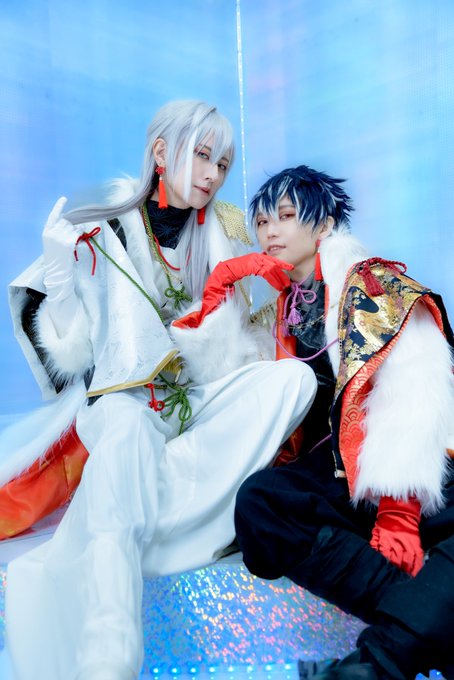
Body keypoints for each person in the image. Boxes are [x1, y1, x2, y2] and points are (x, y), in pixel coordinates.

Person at [0, 104, 317, 680]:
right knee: (125, 432)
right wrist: (59, 281)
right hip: (124, 400)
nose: (213, 175)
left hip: (190, 400)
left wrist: (219, 296)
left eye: (223, 164)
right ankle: (110, 648)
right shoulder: (109, 224)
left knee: (292, 380)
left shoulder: (224, 230)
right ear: (162, 152)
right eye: (202, 155)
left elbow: (235, 347)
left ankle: (143, 498)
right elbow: (75, 352)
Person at [234, 165, 454, 680]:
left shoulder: (373, 285)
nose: (270, 231)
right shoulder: (284, 310)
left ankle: (375, 662)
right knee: (261, 503)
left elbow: (420, 390)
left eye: (286, 216)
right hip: (347, 478)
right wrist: (214, 307)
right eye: (262, 221)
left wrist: (398, 509)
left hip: (421, 475)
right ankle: (426, 627)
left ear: (325, 224)